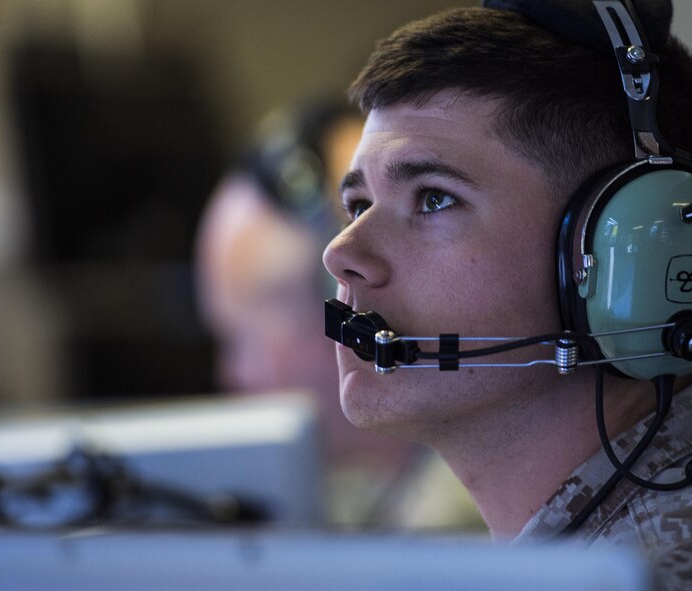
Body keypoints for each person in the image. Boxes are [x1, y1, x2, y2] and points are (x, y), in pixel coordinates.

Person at [321, 1, 692, 588]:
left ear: (628, 263)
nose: (342, 252)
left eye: (434, 198)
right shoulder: (588, 556)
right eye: (358, 205)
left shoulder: (688, 570)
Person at [195, 98, 480, 529]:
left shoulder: (478, 523)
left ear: (352, 314)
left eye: (240, 339)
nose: (232, 375)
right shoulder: (356, 507)